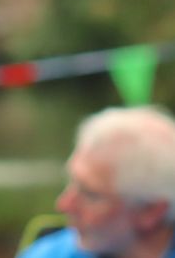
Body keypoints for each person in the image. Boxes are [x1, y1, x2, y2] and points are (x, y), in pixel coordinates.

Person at [18, 106, 175, 258]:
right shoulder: (49, 254)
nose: (64, 204)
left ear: (151, 211)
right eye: (72, 182)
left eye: (90, 195)